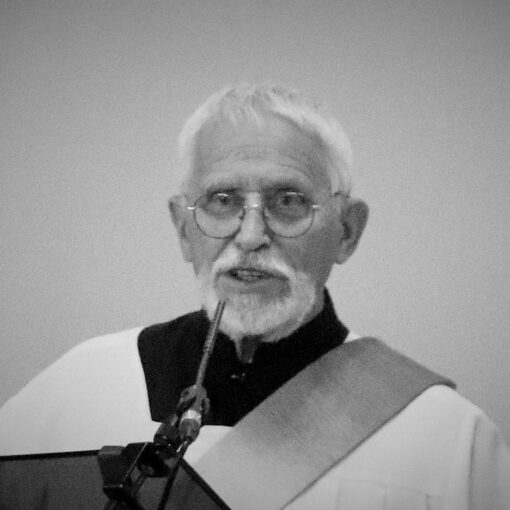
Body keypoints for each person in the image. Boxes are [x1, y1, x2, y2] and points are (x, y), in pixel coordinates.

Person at [1, 84, 509, 509]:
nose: (250, 236)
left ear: (348, 231)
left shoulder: (446, 441)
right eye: (222, 200)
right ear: (182, 229)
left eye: (288, 201)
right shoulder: (74, 393)